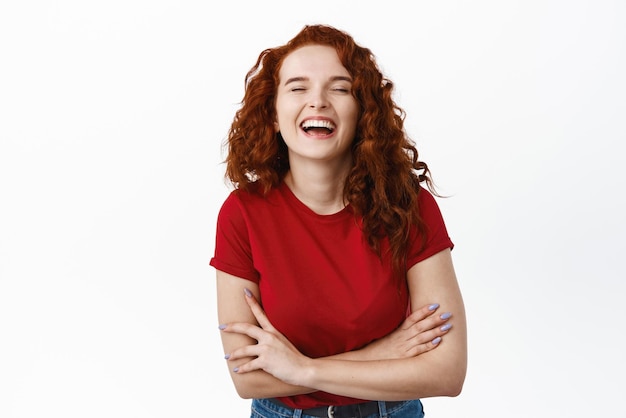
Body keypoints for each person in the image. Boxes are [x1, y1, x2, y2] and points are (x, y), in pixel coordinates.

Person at [210, 24, 467, 418]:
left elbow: (447, 372)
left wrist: (303, 368)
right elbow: (248, 378)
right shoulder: (242, 214)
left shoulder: (410, 206)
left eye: (340, 88)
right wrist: (381, 354)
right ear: (274, 115)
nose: (318, 102)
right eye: (298, 88)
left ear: (363, 112)